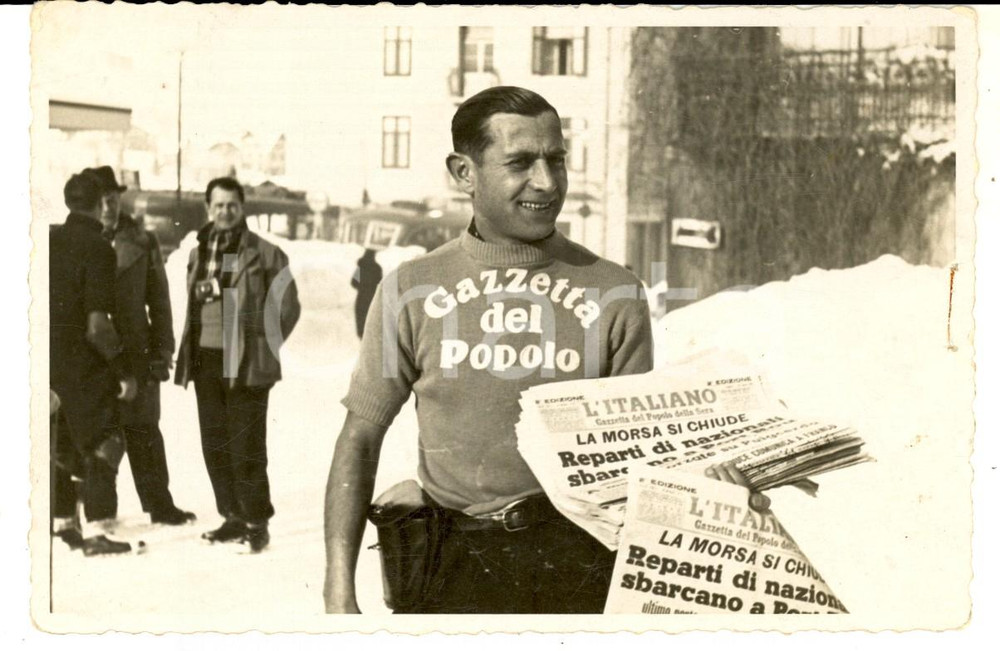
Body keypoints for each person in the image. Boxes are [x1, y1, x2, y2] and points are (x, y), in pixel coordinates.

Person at [323, 87, 654, 614]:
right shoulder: (412, 288)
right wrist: (338, 588)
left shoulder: (615, 292)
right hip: (452, 568)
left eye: (557, 159)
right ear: (464, 172)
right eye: (520, 162)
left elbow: (645, 458)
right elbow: (360, 438)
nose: (546, 183)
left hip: (580, 570)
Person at [175, 177, 301, 553]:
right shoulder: (199, 251)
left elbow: (289, 307)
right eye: (218, 205)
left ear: (241, 207)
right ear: (207, 208)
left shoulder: (266, 253)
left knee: (245, 445)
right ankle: (231, 516)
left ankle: (256, 522)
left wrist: (262, 345)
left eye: (232, 205)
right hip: (206, 359)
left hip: (245, 364)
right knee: (214, 443)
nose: (225, 212)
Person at [85, 165, 195, 526]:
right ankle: (102, 515)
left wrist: (164, 351)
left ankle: (160, 506)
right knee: (99, 433)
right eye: (100, 200)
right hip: (94, 353)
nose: (107, 207)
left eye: (113, 199)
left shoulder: (141, 240)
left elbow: (159, 300)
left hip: (137, 351)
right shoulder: (77, 240)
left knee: (145, 431)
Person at [50, 171, 139, 556]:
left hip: (49, 363)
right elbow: (97, 325)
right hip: (85, 364)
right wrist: (122, 370)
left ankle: (65, 522)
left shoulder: (51, 240)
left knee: (64, 442)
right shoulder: (99, 248)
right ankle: (99, 531)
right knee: (106, 441)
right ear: (95, 202)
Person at [350, 248, 382, 339]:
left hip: (361, 298)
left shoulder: (360, 268)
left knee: (361, 319)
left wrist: (362, 287)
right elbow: (380, 283)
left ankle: (362, 339)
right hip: (372, 298)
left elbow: (353, 282)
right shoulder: (377, 268)